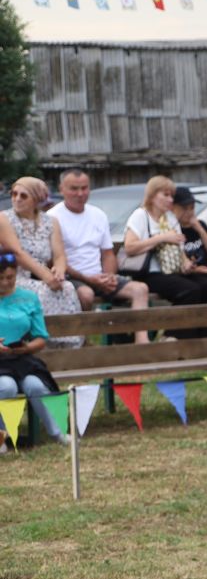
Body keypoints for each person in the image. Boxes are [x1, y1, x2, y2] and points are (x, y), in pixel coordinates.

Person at [54, 169, 152, 338]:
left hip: (99, 275)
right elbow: (56, 260)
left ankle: (141, 343)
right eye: (74, 189)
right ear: (61, 189)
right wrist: (88, 279)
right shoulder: (53, 217)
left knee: (140, 289)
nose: (80, 193)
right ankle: (82, 341)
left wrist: (109, 276)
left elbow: (107, 253)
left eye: (84, 188)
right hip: (72, 277)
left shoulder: (98, 214)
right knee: (85, 294)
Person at [2, 178, 83, 348]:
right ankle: (43, 341)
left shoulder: (50, 221)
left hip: (43, 275)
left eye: (23, 196)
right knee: (42, 291)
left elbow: (59, 255)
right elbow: (17, 253)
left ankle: (70, 343)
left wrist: (58, 272)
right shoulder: (4, 219)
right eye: (14, 194)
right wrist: (46, 276)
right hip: (15, 277)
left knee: (67, 288)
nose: (17, 199)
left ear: (36, 199)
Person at [0, 253, 65, 447]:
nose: (5, 282)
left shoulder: (29, 298)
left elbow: (41, 338)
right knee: (6, 386)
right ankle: (2, 439)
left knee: (35, 385)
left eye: (9, 278)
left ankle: (58, 433)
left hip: (22, 359)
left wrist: (26, 347)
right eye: (0, 278)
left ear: (17, 274)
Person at [121, 175, 207, 317]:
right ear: (152, 196)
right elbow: (130, 247)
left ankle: (193, 335)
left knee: (206, 287)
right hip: (148, 273)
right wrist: (162, 238)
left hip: (172, 271)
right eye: (166, 195)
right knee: (190, 290)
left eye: (172, 195)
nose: (170, 200)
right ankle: (172, 334)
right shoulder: (141, 215)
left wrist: (187, 264)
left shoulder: (170, 217)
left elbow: (180, 248)